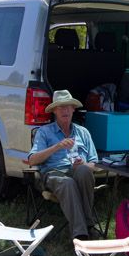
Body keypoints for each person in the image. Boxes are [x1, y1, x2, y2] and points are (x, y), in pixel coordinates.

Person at [28, 90, 99, 239]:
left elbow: (94, 163)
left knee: (84, 171)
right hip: (54, 173)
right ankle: (82, 234)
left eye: (68, 106)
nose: (65, 110)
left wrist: (84, 164)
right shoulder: (44, 132)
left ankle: (88, 225)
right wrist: (57, 147)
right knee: (68, 183)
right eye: (61, 107)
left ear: (74, 109)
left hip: (78, 172)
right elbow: (32, 160)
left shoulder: (83, 132)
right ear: (54, 110)